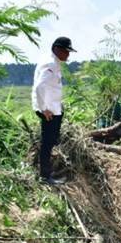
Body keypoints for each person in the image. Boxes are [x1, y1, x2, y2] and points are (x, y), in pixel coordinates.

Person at [32, 36, 75, 185]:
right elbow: (40, 87)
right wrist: (44, 109)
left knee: (52, 140)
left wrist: (58, 104)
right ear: (56, 49)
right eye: (66, 51)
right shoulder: (50, 63)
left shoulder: (54, 63)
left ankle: (49, 170)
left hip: (53, 108)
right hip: (48, 110)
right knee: (47, 142)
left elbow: (51, 87)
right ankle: (45, 176)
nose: (68, 54)